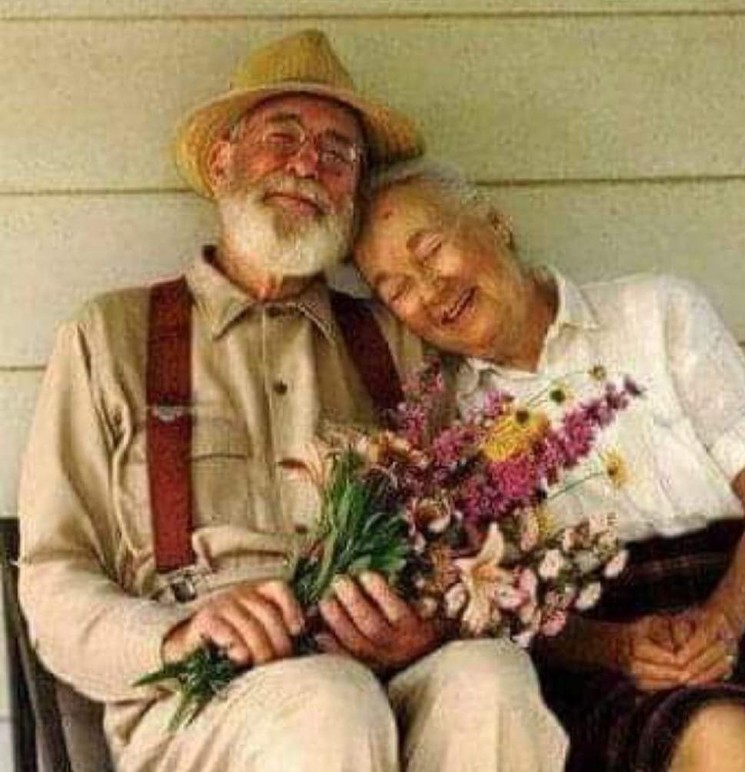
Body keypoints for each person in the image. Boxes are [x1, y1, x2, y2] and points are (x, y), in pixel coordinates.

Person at [18, 31, 568, 772]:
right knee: (330, 701)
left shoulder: (395, 343)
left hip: (383, 678)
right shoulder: (112, 337)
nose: (309, 165)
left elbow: (468, 534)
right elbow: (54, 576)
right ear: (222, 162)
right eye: (283, 138)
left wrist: (429, 626)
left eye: (339, 154)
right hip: (200, 704)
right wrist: (177, 636)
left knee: (491, 679)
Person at [352, 161, 745, 772]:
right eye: (397, 289)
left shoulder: (657, 310)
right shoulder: (448, 422)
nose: (430, 289)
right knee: (719, 738)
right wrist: (619, 647)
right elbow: (507, 607)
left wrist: (724, 620)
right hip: (609, 642)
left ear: (496, 223)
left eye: (432, 250)